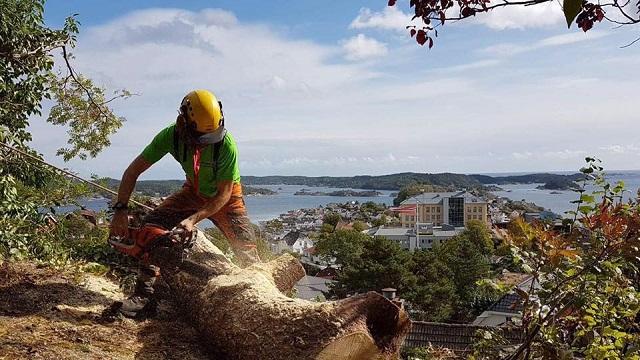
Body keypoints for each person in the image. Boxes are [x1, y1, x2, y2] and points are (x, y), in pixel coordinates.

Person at [109, 89, 259, 318]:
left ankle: (260, 303)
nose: (204, 144)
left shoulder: (226, 144)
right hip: (193, 190)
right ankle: (145, 294)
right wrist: (120, 210)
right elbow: (132, 172)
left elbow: (224, 194)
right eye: (199, 138)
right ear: (183, 122)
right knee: (151, 228)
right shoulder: (170, 136)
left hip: (226, 198)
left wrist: (192, 220)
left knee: (246, 250)